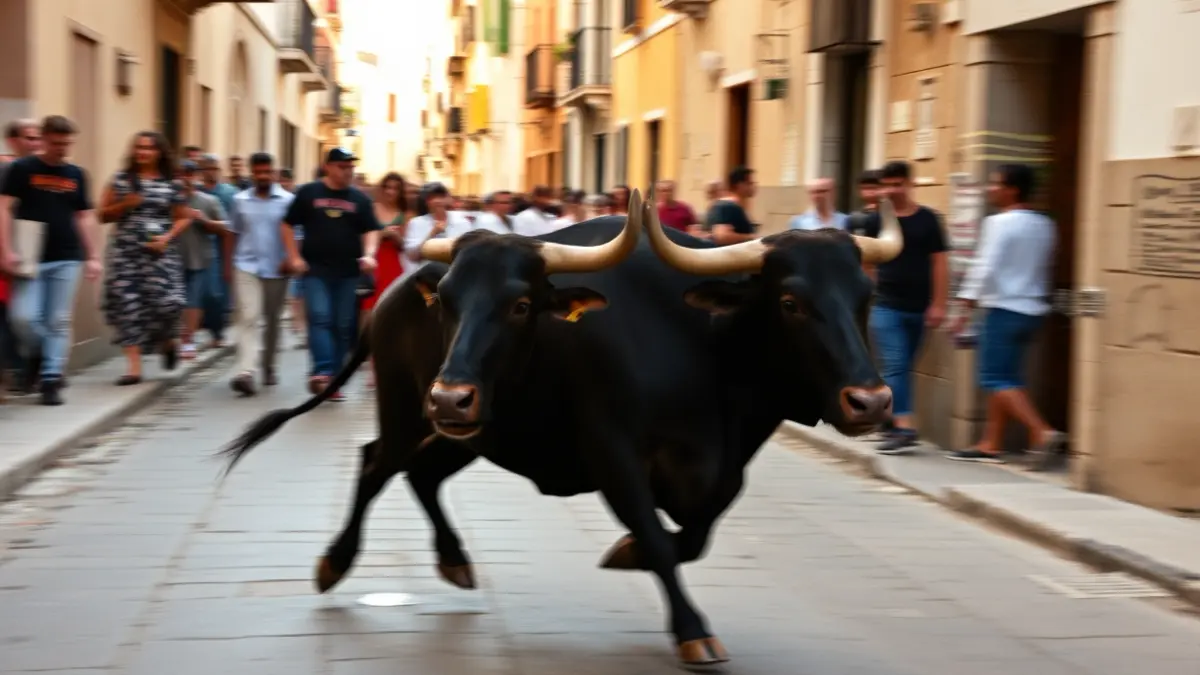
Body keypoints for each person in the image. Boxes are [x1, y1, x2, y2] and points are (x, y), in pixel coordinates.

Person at [947, 163, 1067, 466]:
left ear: (1012, 189)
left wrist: (964, 305)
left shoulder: (999, 223)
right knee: (1006, 377)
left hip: (1003, 309)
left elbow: (985, 266)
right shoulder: (1045, 224)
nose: (991, 189)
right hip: (1032, 310)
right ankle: (991, 443)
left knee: (995, 377)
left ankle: (1043, 432)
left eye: (996, 184)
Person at [0, 115, 101, 405]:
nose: (62, 149)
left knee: (58, 319)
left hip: (67, 256)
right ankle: (40, 353)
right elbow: (4, 208)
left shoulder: (76, 174)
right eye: (56, 143)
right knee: (23, 318)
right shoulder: (22, 169)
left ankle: (51, 379)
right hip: (30, 255)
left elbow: (84, 216)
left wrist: (93, 255)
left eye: (67, 143)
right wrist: (6, 249)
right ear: (43, 140)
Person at [862, 160, 948, 454]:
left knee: (901, 368)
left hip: (920, 308)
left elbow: (940, 262)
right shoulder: (876, 221)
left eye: (899, 183)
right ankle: (905, 428)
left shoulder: (928, 220)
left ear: (910, 184)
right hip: (886, 305)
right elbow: (867, 263)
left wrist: (938, 303)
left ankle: (887, 419)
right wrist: (867, 297)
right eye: (888, 184)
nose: (893, 189)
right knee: (897, 365)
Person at [281, 147, 381, 399]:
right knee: (320, 317)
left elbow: (371, 229)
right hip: (315, 270)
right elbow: (286, 224)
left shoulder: (359, 199)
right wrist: (294, 256)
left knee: (343, 325)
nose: (348, 171)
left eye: (350, 167)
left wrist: (369, 253)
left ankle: (334, 379)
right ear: (328, 167)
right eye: (342, 166)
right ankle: (323, 372)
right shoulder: (309, 192)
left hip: (348, 272)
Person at [99, 131, 191, 386]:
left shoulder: (173, 183)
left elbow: (184, 216)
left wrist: (166, 238)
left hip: (160, 253)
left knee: (167, 303)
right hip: (125, 254)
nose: (143, 152)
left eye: (149, 148)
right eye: (139, 147)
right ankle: (134, 368)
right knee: (127, 306)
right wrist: (124, 204)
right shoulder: (120, 180)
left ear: (159, 152)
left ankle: (169, 341)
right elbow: (102, 215)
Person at [227, 152, 295, 396]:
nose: (263, 176)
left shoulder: (288, 200)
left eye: (267, 172)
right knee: (249, 316)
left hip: (278, 268)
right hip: (246, 266)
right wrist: (228, 266)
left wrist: (291, 257)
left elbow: (296, 233)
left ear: (273, 172)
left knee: (273, 320)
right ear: (252, 173)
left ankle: (268, 365)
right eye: (258, 172)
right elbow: (233, 233)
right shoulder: (240, 200)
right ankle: (246, 372)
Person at [174, 160, 227, 360]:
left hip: (200, 259)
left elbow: (225, 226)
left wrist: (204, 220)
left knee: (193, 301)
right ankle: (176, 338)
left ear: (196, 176)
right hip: (173, 258)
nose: (185, 178)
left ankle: (188, 341)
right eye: (182, 174)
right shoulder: (170, 200)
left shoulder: (208, 200)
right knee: (176, 302)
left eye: (190, 174)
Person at [701, 165, 758, 245]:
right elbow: (721, 237)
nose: (754, 187)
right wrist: (753, 237)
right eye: (750, 183)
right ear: (739, 185)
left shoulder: (730, 206)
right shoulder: (727, 206)